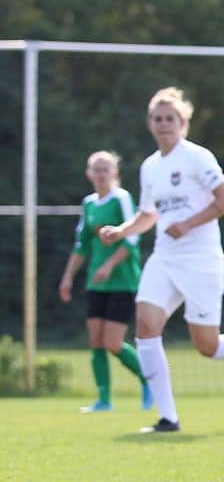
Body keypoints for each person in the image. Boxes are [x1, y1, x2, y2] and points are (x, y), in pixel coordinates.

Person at [99, 87, 224, 433]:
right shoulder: (150, 167)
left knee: (207, 346)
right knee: (145, 327)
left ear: (183, 122)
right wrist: (121, 231)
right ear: (150, 124)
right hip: (165, 258)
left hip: (201, 260)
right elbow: (147, 215)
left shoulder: (197, 157)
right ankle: (168, 418)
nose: (164, 124)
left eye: (170, 118)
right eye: (158, 118)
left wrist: (187, 224)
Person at [59, 150, 152, 413]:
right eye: (96, 169)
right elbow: (82, 245)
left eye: (106, 169)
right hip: (95, 283)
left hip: (122, 281)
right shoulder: (88, 204)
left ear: (115, 173)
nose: (101, 174)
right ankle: (103, 400)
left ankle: (148, 380)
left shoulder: (122, 199)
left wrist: (109, 265)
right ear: (89, 174)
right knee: (96, 341)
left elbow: (132, 239)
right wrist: (68, 278)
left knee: (112, 343)